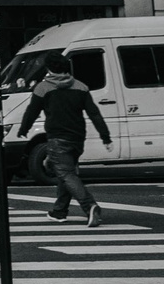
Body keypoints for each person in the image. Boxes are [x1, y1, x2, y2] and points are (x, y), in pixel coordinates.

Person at [12, 63, 111, 229]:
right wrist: (105, 136)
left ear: (49, 69)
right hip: (78, 138)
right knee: (65, 173)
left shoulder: (43, 87)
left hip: (57, 137)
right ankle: (59, 211)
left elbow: (32, 111)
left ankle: (90, 206)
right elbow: (94, 113)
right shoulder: (81, 86)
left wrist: (24, 129)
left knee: (65, 173)